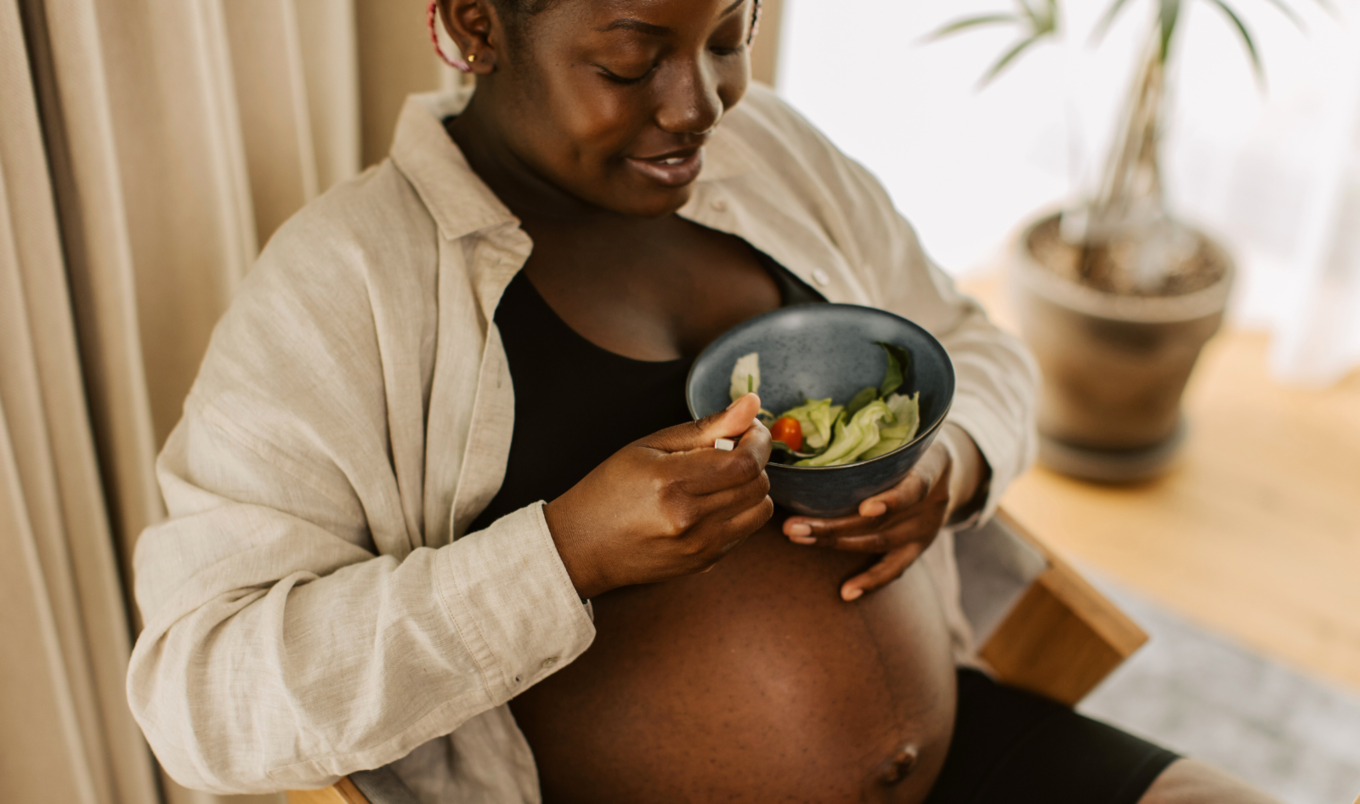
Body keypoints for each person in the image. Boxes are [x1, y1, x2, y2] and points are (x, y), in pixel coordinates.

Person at [126, 1, 1283, 802]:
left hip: (970, 758)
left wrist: (955, 465)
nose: (699, 105)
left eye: (731, 36)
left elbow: (975, 344)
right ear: (476, 25)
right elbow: (198, 693)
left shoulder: (766, 153)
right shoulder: (345, 286)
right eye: (632, 62)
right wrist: (564, 552)